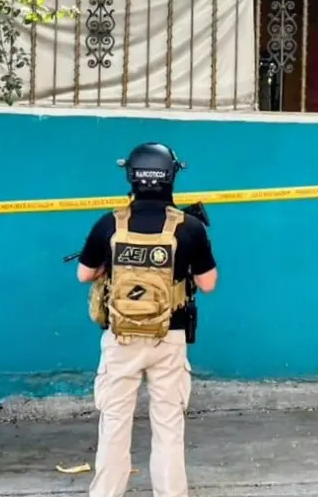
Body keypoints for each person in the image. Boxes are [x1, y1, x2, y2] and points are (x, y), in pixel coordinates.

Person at [76, 142, 219, 497]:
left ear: (131, 176)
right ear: (172, 176)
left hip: (121, 338)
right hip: (168, 339)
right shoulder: (188, 227)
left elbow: (84, 274)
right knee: (169, 428)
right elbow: (208, 283)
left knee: (113, 424)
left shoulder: (110, 222)